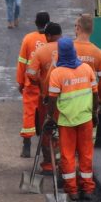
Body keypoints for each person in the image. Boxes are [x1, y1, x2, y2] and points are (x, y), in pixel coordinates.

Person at [44, 37, 100, 201]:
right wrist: (94, 113)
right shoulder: (86, 69)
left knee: (67, 156)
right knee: (86, 154)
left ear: (60, 54)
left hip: (66, 121)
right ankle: (88, 188)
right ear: (74, 52)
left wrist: (49, 118)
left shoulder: (57, 73)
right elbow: (95, 94)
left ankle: (72, 190)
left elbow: (52, 99)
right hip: (85, 119)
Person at [28, 22, 64, 172]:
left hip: (47, 98)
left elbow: (30, 73)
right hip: (67, 99)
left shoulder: (41, 51)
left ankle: (49, 164)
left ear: (48, 36)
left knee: (47, 129)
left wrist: (40, 82)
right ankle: (64, 162)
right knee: (64, 130)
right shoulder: (69, 49)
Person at [16, 11, 50, 158]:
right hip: (48, 85)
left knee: (29, 114)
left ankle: (27, 146)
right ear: (48, 23)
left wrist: (20, 82)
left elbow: (22, 63)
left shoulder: (28, 39)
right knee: (47, 115)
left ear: (36, 23)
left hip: (31, 84)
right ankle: (46, 150)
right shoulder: (52, 39)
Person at [73, 14, 101, 109]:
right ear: (91, 30)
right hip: (88, 104)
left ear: (78, 28)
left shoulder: (65, 50)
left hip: (67, 104)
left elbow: (52, 76)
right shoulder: (99, 53)